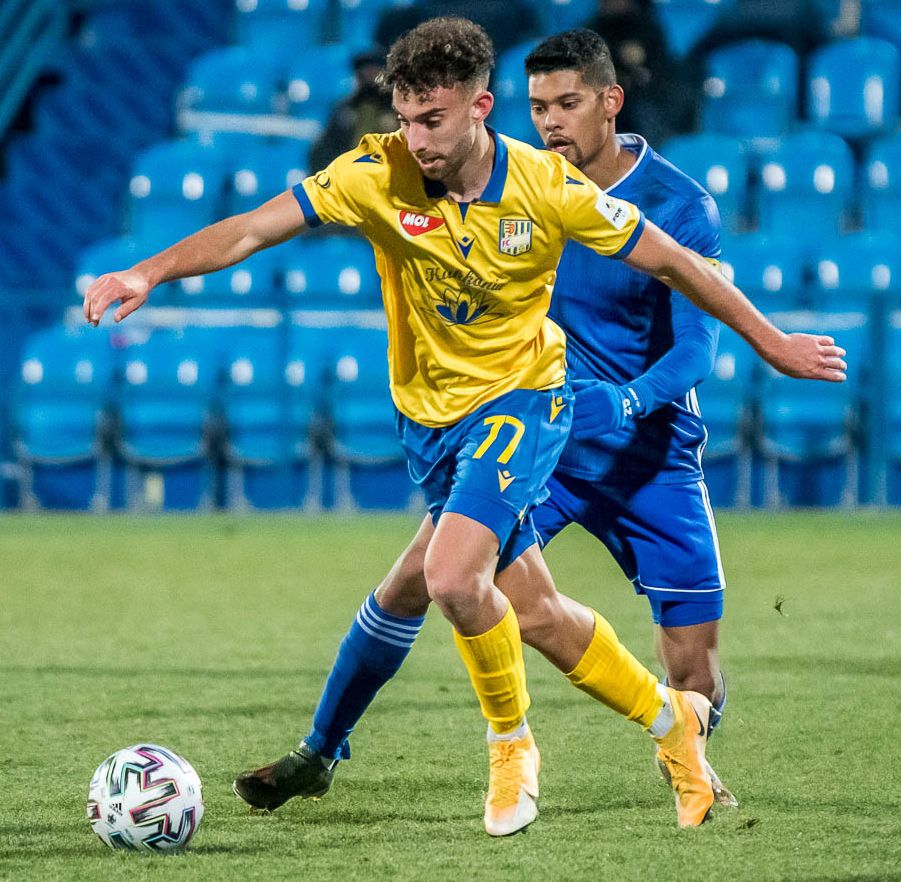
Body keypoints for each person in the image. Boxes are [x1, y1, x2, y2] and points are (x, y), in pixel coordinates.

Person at [84, 18, 846, 836]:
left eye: (432, 120)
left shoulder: (545, 187)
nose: (414, 139)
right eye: (404, 119)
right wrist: (146, 271)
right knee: (528, 610)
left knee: (450, 578)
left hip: (529, 405)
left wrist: (772, 343)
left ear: (480, 108)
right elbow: (251, 228)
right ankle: (672, 723)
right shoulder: (374, 173)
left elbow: (671, 260)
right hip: (433, 423)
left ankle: (511, 748)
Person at [308, 47, 396, 172]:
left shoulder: (398, 110)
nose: (369, 75)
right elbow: (324, 149)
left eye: (374, 69)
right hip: (351, 173)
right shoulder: (344, 110)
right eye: (364, 70)